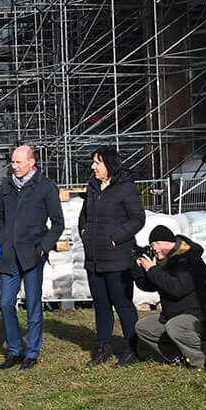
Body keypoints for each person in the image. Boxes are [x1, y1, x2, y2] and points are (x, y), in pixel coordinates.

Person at [0, 143, 66, 369]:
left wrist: (43, 247)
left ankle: (32, 353)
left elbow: (58, 223)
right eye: (12, 162)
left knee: (33, 304)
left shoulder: (45, 187)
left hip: (33, 255)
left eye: (18, 162)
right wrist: (1, 236)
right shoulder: (7, 185)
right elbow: (0, 216)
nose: (14, 166)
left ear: (31, 163)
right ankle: (14, 350)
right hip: (9, 255)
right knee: (5, 303)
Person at [78, 147, 147, 367]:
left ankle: (131, 349)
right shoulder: (93, 188)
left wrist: (115, 238)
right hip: (94, 259)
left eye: (97, 163)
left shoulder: (126, 189)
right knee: (101, 305)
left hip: (118, 259)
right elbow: (84, 215)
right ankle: (103, 347)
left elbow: (138, 219)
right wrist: (84, 233)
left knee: (122, 303)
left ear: (109, 165)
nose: (93, 167)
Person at [134, 226, 206, 368]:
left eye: (156, 243)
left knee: (175, 326)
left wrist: (153, 269)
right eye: (152, 245)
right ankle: (178, 357)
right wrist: (139, 269)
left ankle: (203, 359)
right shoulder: (165, 262)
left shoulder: (188, 260)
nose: (154, 248)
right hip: (176, 315)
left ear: (169, 242)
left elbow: (177, 288)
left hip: (203, 317)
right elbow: (149, 285)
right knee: (143, 327)